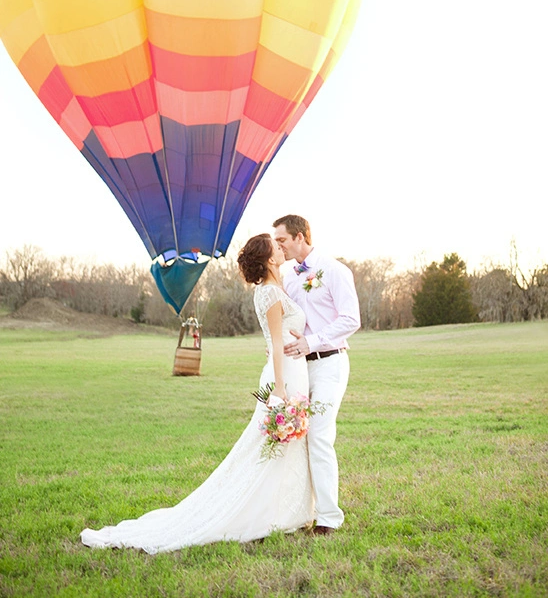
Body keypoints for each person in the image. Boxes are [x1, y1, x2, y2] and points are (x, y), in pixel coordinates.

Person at [81, 234, 314, 553]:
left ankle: (287, 510)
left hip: (293, 369)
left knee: (286, 445)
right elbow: (274, 341)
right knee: (271, 445)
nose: (280, 246)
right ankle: (264, 512)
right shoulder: (270, 293)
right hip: (283, 375)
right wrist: (280, 387)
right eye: (275, 245)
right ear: (270, 258)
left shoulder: (278, 287)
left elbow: (286, 330)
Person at [273, 214, 361, 535]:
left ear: (299, 237)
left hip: (329, 363)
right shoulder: (287, 278)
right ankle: (299, 514)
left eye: (282, 239)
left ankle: (328, 519)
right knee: (295, 439)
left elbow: (351, 319)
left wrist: (312, 341)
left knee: (319, 436)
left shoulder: (335, 270)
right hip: (298, 369)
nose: (278, 245)